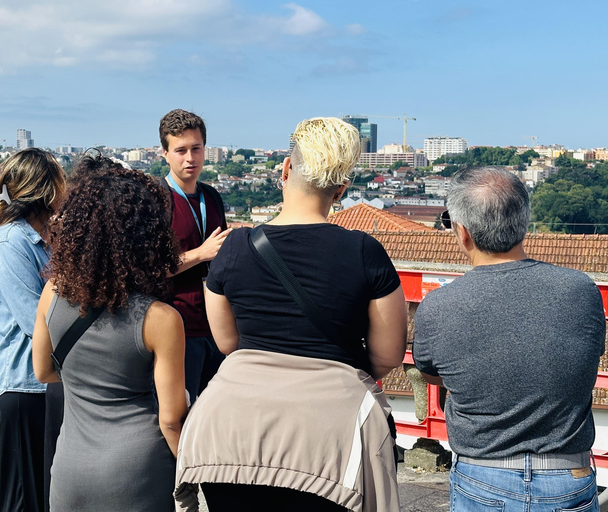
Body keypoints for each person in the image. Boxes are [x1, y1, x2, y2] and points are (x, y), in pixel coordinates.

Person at [175, 117, 408, 512]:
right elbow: (387, 356)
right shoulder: (364, 252)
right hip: (327, 439)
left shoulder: (234, 249)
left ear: (285, 170)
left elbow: (228, 343)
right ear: (341, 189)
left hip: (228, 433)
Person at [413, 166, 606, 512]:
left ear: (463, 232)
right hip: (567, 474)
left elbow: (431, 375)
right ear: (525, 224)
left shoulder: (438, 306)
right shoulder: (581, 290)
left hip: (481, 475)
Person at [31, 156, 187, 512]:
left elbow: (43, 371)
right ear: (150, 235)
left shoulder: (52, 292)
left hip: (71, 468)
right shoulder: (160, 319)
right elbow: (170, 419)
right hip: (138, 471)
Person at [0, 148, 66, 512]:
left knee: (42, 495)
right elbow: (37, 322)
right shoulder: (12, 244)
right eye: (60, 180)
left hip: (42, 386)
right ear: (45, 190)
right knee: (25, 499)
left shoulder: (39, 237)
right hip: (24, 386)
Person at [159, 108, 232, 405]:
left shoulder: (212, 196)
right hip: (176, 330)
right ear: (164, 153)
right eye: (180, 150)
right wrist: (200, 255)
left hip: (216, 328)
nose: (190, 158)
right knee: (181, 415)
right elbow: (146, 269)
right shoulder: (157, 200)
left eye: (196, 148)